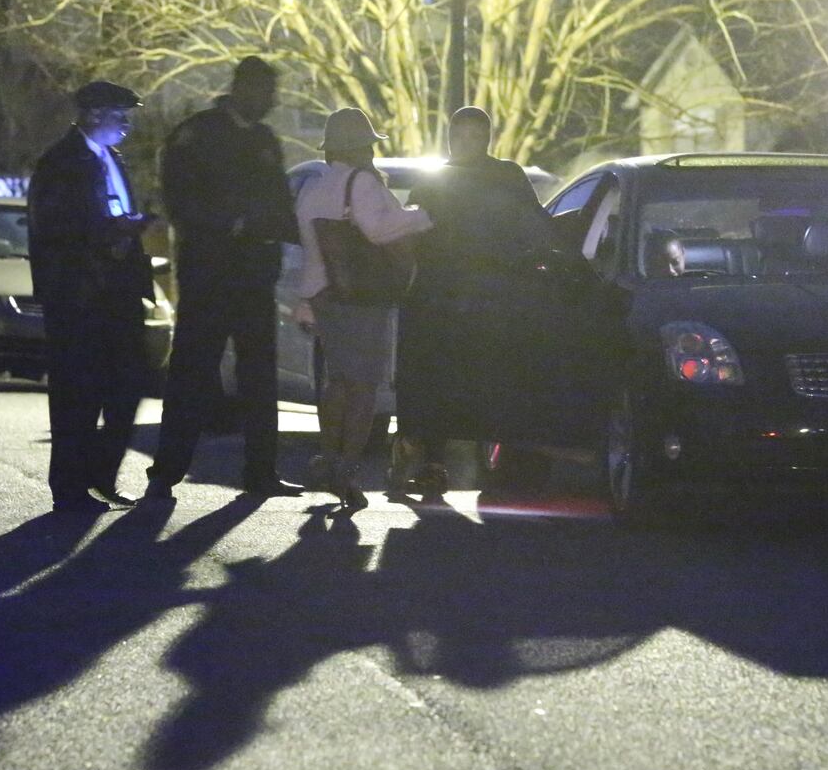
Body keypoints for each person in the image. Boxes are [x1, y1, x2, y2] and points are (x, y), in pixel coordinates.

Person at [144, 56, 302, 503]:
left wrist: (270, 231)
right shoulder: (198, 135)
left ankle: (261, 472)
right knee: (192, 372)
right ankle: (166, 472)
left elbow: (279, 205)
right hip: (209, 275)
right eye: (265, 92)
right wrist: (230, 223)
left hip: (254, 276)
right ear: (242, 88)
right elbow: (181, 200)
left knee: (260, 378)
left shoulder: (264, 139)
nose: (271, 102)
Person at [394, 106, 551, 498]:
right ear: (449, 138)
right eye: (460, 135)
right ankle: (433, 463)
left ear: (487, 139)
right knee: (438, 382)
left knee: (488, 380)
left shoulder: (506, 176)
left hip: (493, 293)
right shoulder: (434, 180)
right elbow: (412, 232)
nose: (466, 144)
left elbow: (535, 226)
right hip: (441, 293)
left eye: (475, 136)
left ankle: (497, 463)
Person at [294, 108, 431, 510]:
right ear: (360, 148)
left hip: (323, 295)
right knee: (364, 388)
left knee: (338, 381)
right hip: (361, 298)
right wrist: (422, 217)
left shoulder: (314, 188)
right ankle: (348, 471)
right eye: (369, 145)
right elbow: (378, 230)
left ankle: (328, 456)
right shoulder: (363, 183)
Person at [28, 80, 154, 513]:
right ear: (94, 114)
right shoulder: (61, 163)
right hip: (78, 295)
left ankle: (100, 474)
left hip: (118, 292)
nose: (127, 125)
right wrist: (111, 232)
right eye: (121, 116)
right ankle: (70, 486)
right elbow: (56, 229)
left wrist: (128, 232)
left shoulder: (111, 158)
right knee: (76, 393)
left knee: (126, 385)